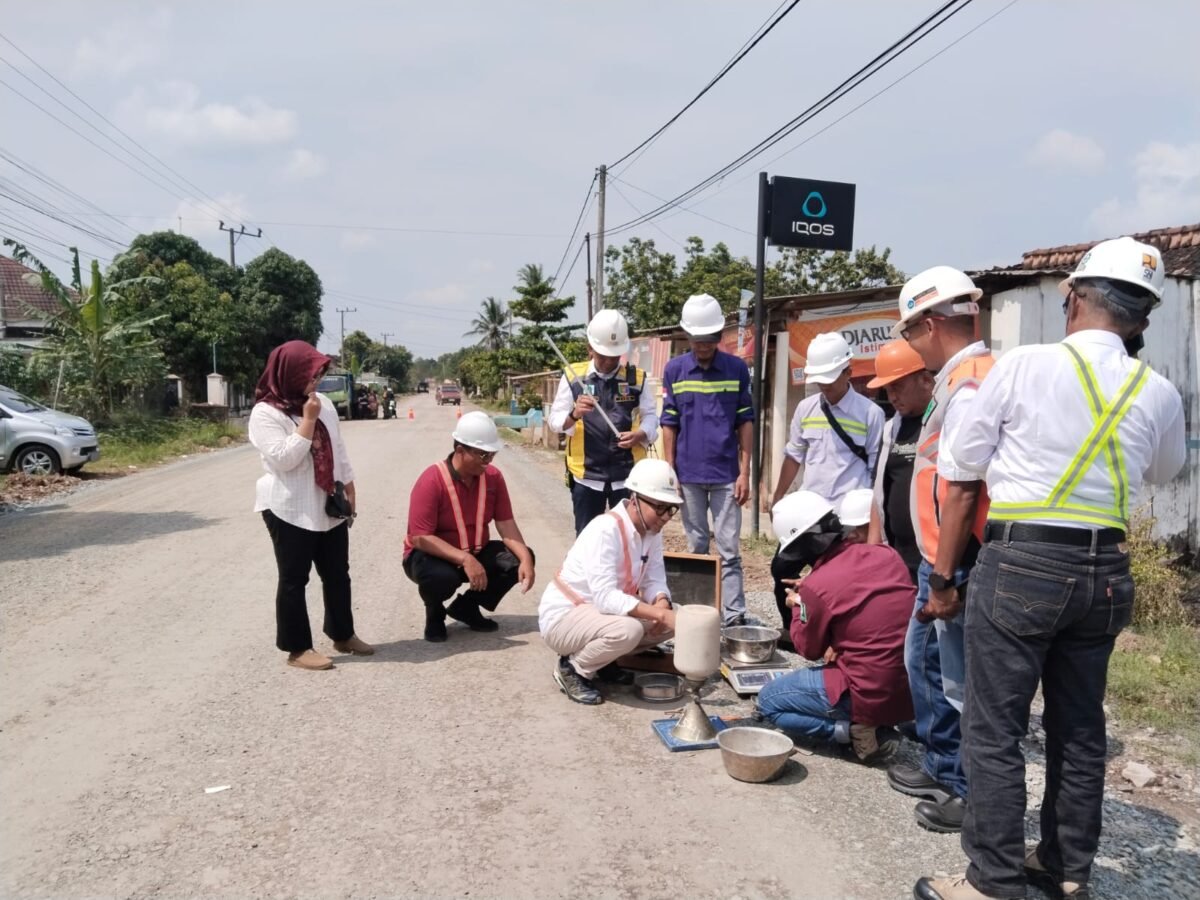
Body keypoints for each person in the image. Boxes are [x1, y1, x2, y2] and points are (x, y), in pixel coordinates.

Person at [914, 238, 1187, 900]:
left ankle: (992, 881)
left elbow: (959, 480)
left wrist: (944, 580)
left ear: (1073, 299)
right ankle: (1065, 869)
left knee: (995, 729)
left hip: (1023, 565)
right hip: (1106, 574)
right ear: (1142, 319)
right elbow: (1165, 470)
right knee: (1079, 728)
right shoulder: (1159, 391)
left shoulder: (1021, 367)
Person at [885, 266, 993, 834]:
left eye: (909, 333)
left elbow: (964, 487)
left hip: (957, 560)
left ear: (929, 324)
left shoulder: (971, 381)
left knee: (960, 682)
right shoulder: (959, 376)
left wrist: (945, 576)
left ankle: (966, 789)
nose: (909, 345)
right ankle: (943, 766)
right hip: (939, 558)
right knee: (925, 662)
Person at [755, 491, 915, 762]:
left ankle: (852, 732)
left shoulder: (817, 586)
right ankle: (874, 725)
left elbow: (808, 649)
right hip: (907, 691)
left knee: (769, 701)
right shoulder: (887, 555)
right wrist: (812, 593)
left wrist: (799, 605)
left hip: (866, 692)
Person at [248, 340, 374, 671]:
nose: (315, 383)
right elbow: (285, 459)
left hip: (327, 504)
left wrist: (349, 489)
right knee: (293, 579)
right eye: (311, 375)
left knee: (337, 574)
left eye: (319, 375)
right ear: (289, 374)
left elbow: (338, 452)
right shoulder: (265, 413)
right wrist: (307, 420)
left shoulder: (324, 406)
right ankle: (298, 648)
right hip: (287, 507)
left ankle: (343, 634)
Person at [538, 459, 681, 705]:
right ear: (636, 499)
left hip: (599, 617)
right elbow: (605, 598)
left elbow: (655, 578)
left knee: (677, 616)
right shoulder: (605, 529)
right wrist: (658, 615)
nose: (666, 516)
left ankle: (604, 661)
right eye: (660, 507)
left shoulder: (652, 531)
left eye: (671, 509)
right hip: (564, 618)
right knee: (630, 630)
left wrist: (662, 603)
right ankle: (573, 668)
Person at [771, 330, 884, 633]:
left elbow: (875, 469)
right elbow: (794, 456)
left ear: (848, 371)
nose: (825, 385)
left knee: (839, 582)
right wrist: (778, 496)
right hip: (809, 515)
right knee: (781, 569)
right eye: (820, 379)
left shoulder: (870, 414)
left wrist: (871, 521)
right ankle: (792, 632)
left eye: (831, 378)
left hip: (846, 518)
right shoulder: (806, 410)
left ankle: (836, 638)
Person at [661, 293, 754, 626]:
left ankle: (734, 617)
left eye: (710, 338)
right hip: (688, 476)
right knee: (696, 546)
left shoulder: (736, 369)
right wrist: (670, 470)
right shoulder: (674, 370)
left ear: (719, 336)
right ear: (688, 336)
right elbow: (669, 423)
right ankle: (697, 616)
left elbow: (746, 422)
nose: (703, 345)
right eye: (697, 339)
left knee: (729, 550)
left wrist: (745, 473)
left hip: (727, 475)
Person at [403, 411, 536, 642]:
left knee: (517, 558)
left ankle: (467, 607)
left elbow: (505, 523)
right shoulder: (432, 480)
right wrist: (465, 560)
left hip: (473, 551)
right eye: (483, 455)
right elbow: (420, 538)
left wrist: (526, 559)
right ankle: (434, 614)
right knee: (441, 578)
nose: (488, 461)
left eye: (492, 455)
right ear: (460, 450)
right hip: (430, 556)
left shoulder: (493, 478)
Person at [548, 309, 658, 535]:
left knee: (630, 539)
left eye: (614, 356)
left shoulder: (637, 379)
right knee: (587, 542)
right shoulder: (573, 377)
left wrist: (640, 435)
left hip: (627, 478)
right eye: (602, 355)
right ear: (590, 348)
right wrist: (574, 414)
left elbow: (651, 417)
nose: (609, 362)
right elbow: (555, 421)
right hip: (586, 478)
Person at [866, 340, 934, 584]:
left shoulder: (943, 423)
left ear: (925, 380)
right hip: (897, 561)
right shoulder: (891, 429)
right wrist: (874, 551)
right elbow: (879, 492)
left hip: (935, 561)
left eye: (898, 387)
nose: (892, 396)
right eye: (887, 389)